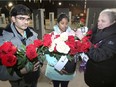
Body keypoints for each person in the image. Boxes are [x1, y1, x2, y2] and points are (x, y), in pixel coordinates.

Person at [0, 4, 41, 87]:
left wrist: (39, 61)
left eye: (28, 19)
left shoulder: (33, 35)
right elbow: (2, 74)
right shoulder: (4, 41)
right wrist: (21, 72)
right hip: (18, 82)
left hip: (34, 78)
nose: (26, 22)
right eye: (21, 18)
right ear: (13, 18)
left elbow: (39, 54)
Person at [76, 8, 116, 87]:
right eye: (98, 20)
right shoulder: (99, 29)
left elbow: (98, 56)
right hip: (93, 72)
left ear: (113, 22)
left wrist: (83, 40)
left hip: (103, 77)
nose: (99, 23)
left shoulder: (113, 38)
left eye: (103, 21)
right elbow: (90, 37)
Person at [45, 13, 76, 87]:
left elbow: (74, 51)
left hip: (67, 68)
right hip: (54, 68)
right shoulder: (52, 35)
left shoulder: (72, 35)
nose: (64, 25)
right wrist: (56, 65)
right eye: (62, 23)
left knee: (65, 85)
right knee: (55, 85)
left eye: (66, 23)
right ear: (58, 23)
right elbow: (47, 52)